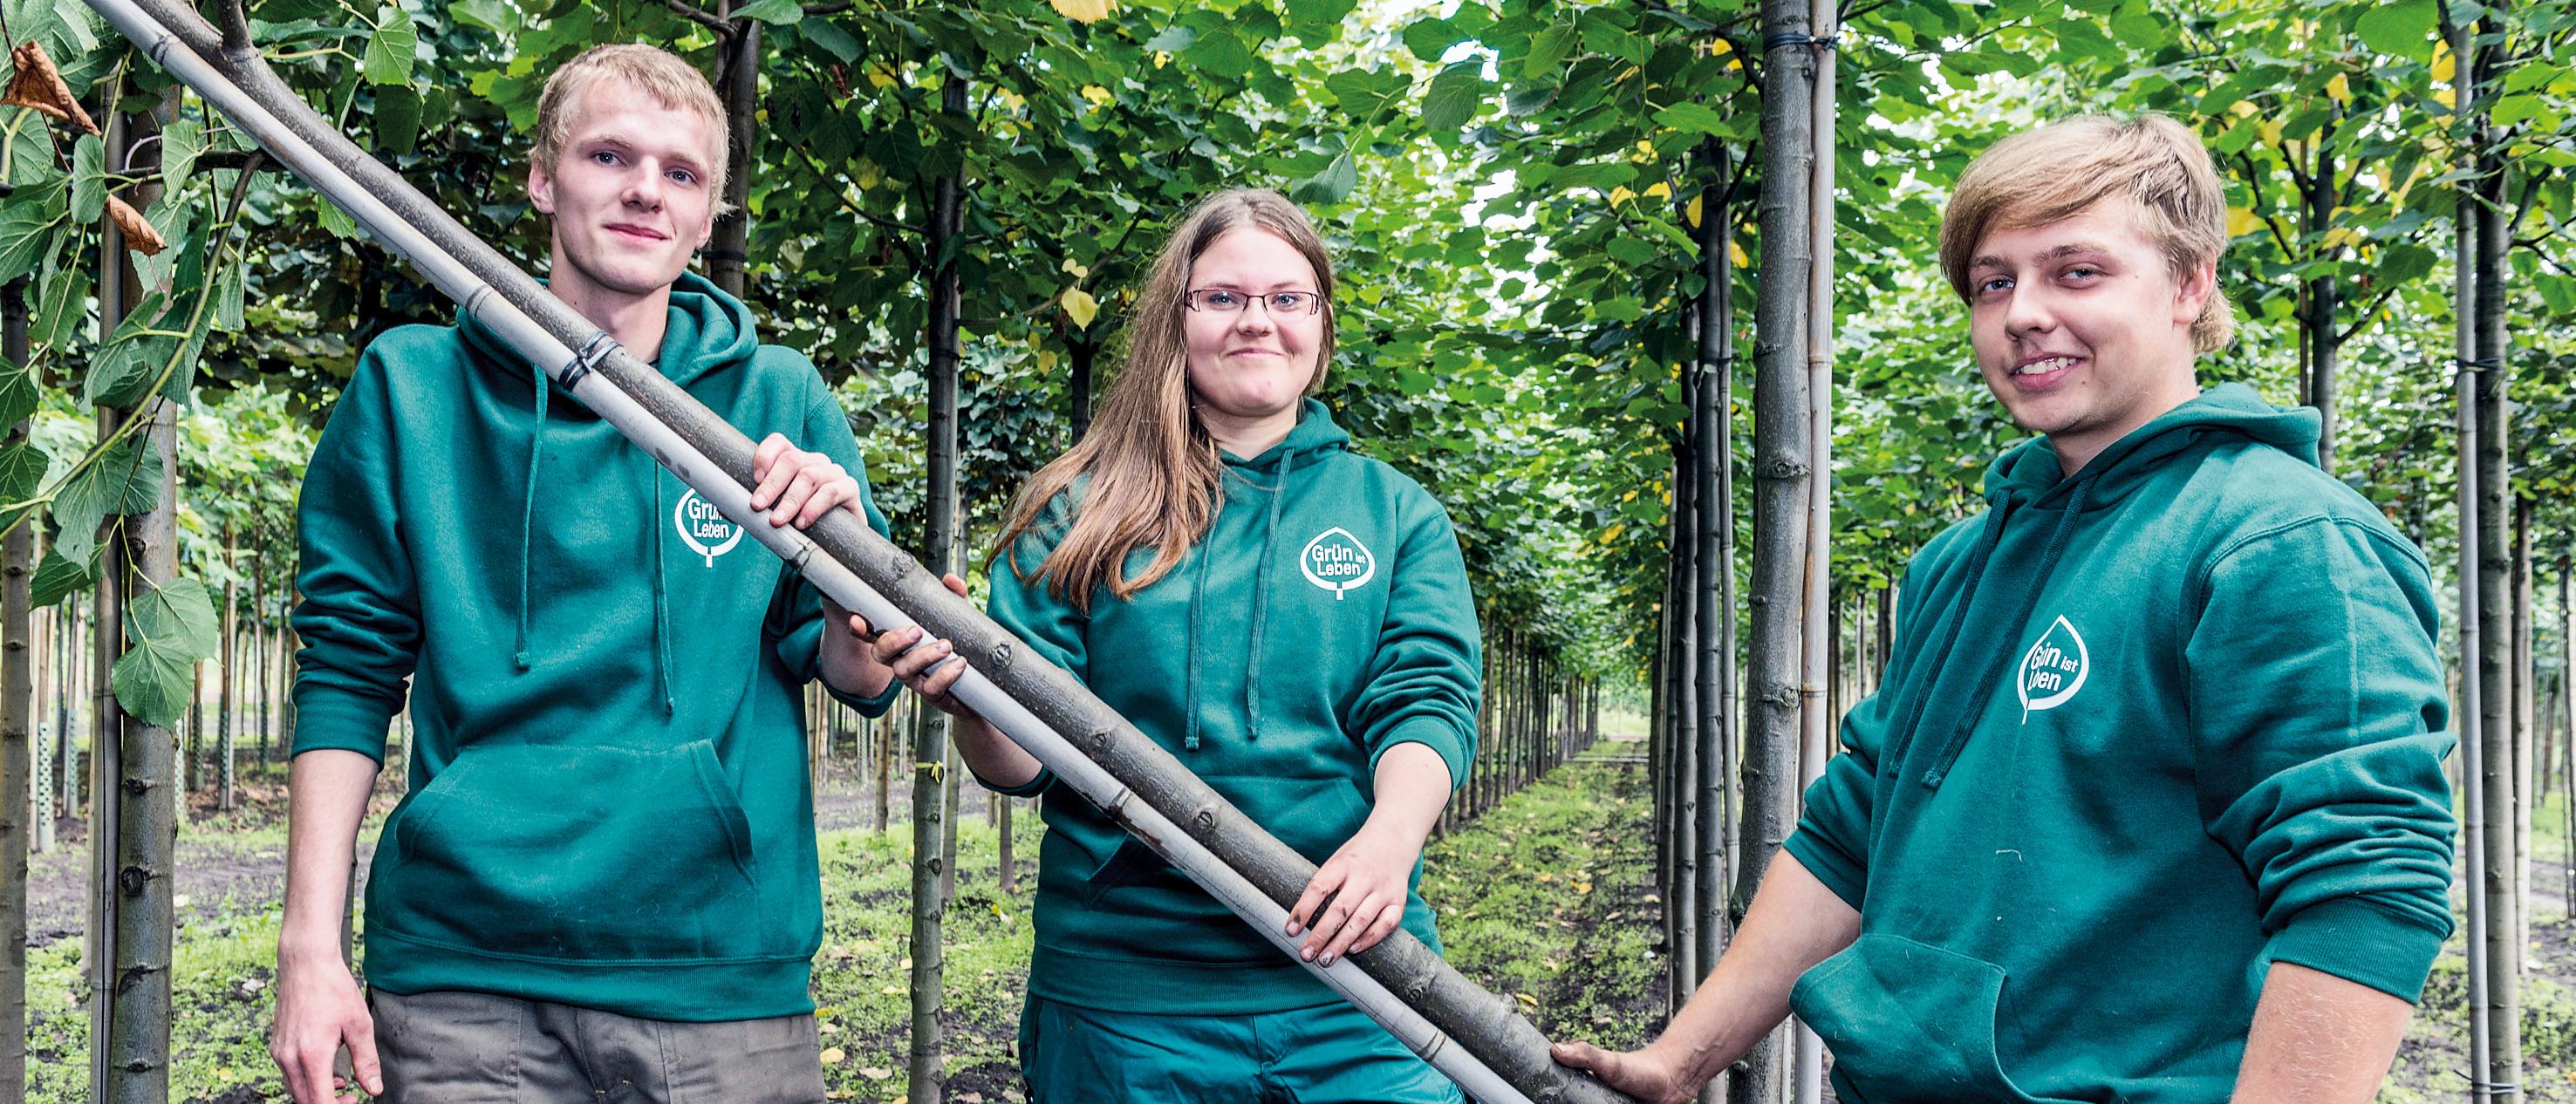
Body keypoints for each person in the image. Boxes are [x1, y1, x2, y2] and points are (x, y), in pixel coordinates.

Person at [1554, 114, 2456, 1104]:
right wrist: (1678, 1061)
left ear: (2190, 285)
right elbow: (1850, 832)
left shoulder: (2278, 544)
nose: (2024, 312)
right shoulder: (1958, 563)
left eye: (2076, 272)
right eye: (1994, 282)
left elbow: (2363, 883)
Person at [270, 44, 904, 1104]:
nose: (645, 190)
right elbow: (347, 669)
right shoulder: (411, 386)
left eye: (682, 173)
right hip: (463, 979)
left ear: (711, 216)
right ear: (541, 176)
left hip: (718, 978)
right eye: (610, 155)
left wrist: (847, 567)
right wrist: (309, 949)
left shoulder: (777, 403)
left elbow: (861, 677)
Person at [871, 187, 1484, 1102]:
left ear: (1320, 322)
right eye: (1223, 298)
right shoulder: (1078, 511)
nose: (1257, 323)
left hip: (1357, 993)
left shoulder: (1395, 515)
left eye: (1287, 298)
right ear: (1178, 317)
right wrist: (968, 702)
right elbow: (1023, 763)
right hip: (1126, 1002)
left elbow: (1425, 699)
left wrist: (1386, 848)